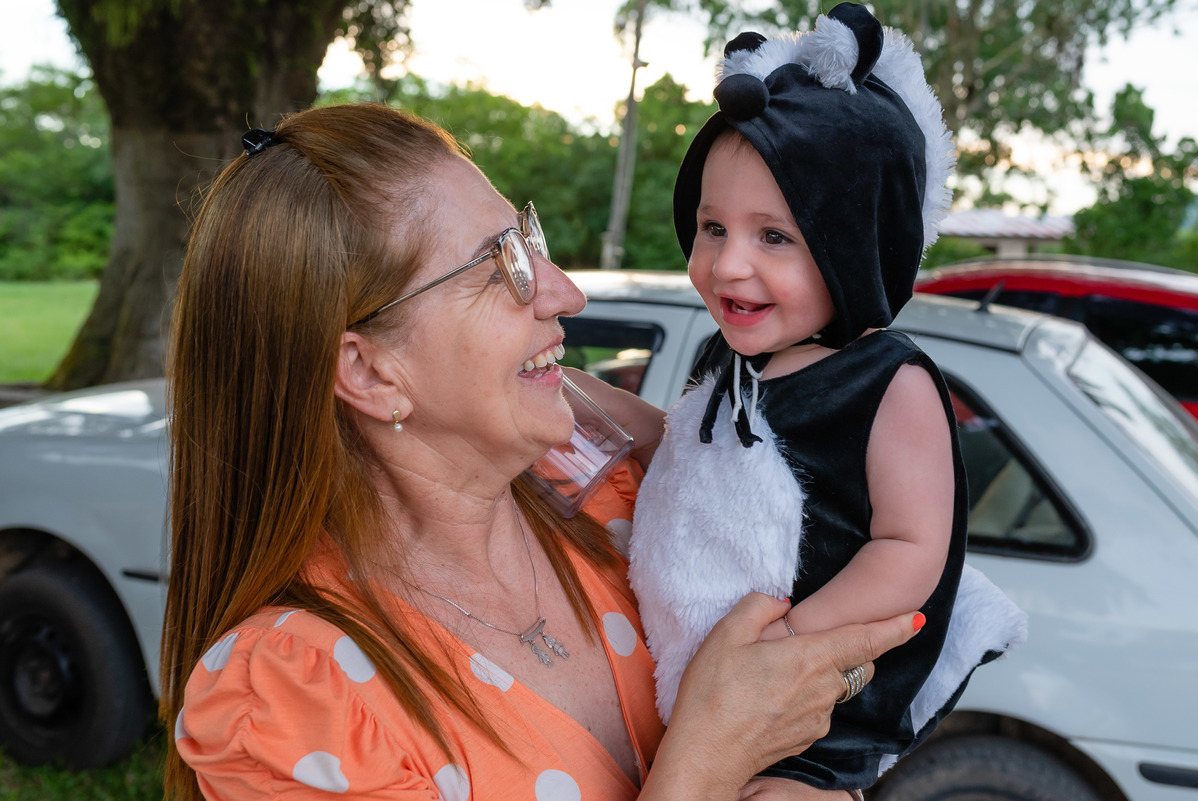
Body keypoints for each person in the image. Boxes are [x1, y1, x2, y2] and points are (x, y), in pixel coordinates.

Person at [159, 101, 923, 801]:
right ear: (367, 370)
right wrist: (707, 759)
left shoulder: (612, 484)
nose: (563, 292)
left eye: (529, 238)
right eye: (501, 266)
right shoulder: (294, 701)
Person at [626, 3, 1028, 794]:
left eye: (773, 236)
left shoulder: (888, 383)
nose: (728, 265)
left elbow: (914, 550)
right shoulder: (734, 357)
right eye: (713, 228)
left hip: (806, 721)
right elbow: (684, 454)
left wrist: (787, 641)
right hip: (700, 705)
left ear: (854, 244)